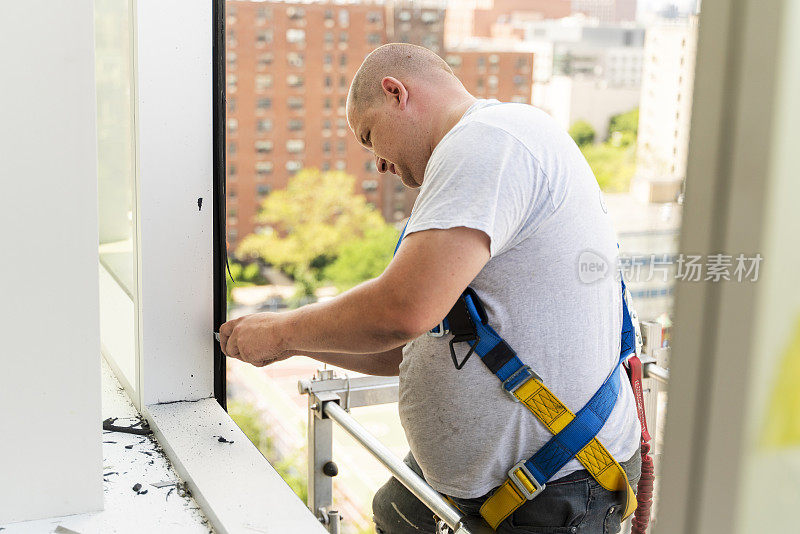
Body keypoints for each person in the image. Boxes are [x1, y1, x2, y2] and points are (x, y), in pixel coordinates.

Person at [219, 43, 641, 533]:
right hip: (508, 481)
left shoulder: (488, 141)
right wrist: (293, 341)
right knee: (394, 511)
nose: (378, 163)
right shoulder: (481, 158)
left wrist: (279, 330)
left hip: (555, 488)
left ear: (396, 92)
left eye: (370, 136)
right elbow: (407, 346)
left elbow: (402, 312)